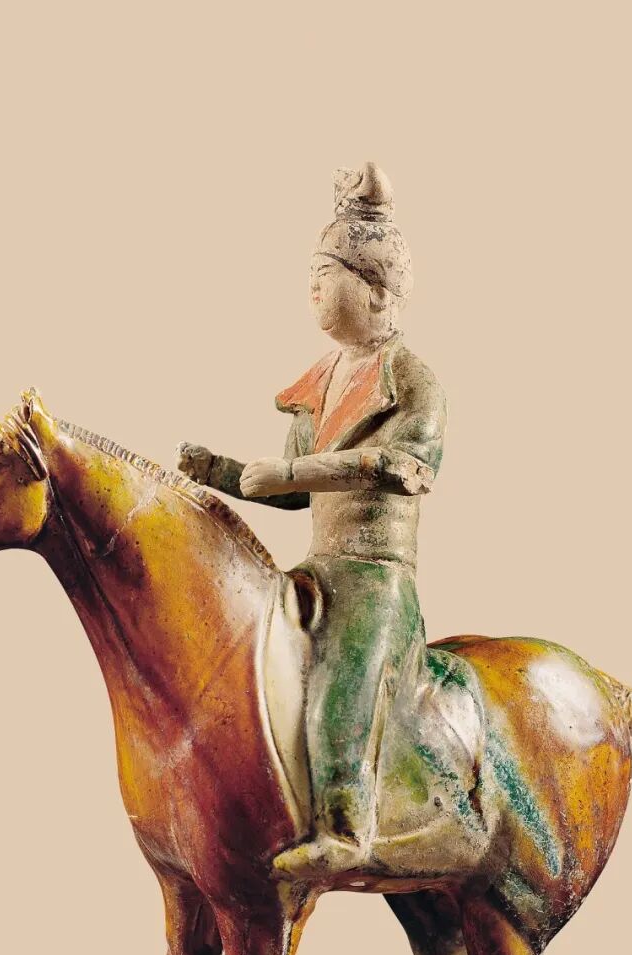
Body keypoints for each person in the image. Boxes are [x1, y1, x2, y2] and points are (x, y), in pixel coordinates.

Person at [177, 163, 446, 880]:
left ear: (378, 291)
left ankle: (346, 825)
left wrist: (294, 471)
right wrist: (219, 471)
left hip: (375, 577)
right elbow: (291, 493)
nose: (314, 288)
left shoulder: (412, 379)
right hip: (318, 571)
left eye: (329, 274)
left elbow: (407, 465)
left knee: (343, 681)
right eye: (313, 275)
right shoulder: (321, 383)